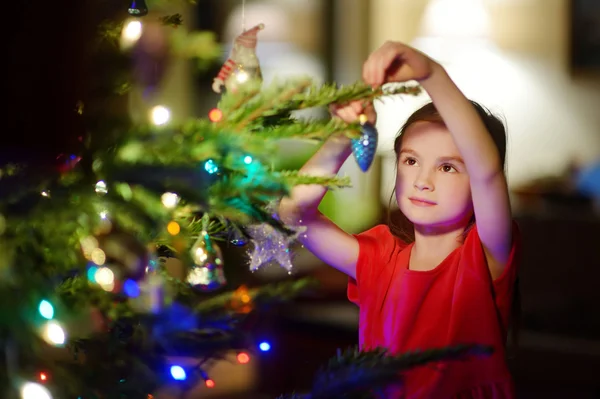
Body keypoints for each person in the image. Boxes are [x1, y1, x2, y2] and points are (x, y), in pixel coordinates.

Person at [278, 41, 521, 398]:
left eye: (448, 166)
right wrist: (343, 137)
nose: (423, 180)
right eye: (410, 160)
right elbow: (291, 212)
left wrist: (431, 74)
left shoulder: (485, 255)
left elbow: (485, 171)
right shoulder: (378, 259)